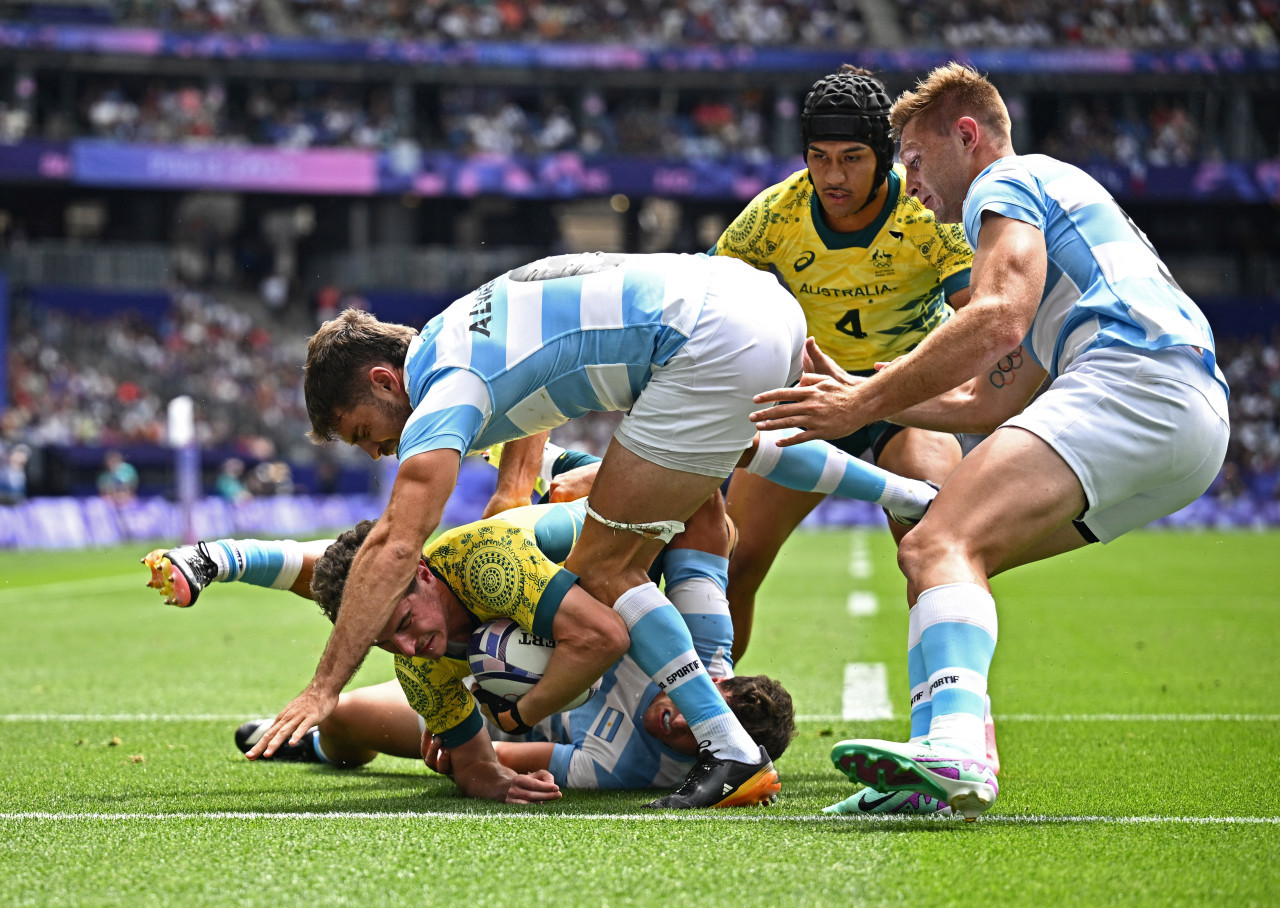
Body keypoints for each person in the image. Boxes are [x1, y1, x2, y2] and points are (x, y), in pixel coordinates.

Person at [247, 251, 938, 809]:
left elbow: (397, 542)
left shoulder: (439, 392)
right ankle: (908, 496)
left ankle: (729, 748)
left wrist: (325, 685)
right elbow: (535, 396)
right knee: (706, 480)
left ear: (383, 380)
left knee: (606, 564)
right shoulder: (462, 332)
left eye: (366, 433)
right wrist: (517, 489)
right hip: (757, 305)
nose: (380, 453)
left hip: (704, 342)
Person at [751, 62, 1230, 821]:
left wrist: (864, 402)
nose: (909, 183)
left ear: (966, 135)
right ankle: (944, 770)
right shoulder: (1061, 219)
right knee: (951, 555)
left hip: (1132, 381)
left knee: (936, 540)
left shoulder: (1003, 184)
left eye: (912, 159)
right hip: (1192, 424)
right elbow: (986, 400)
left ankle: (956, 750)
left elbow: (999, 314)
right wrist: (862, 400)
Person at [142, 496, 797, 799]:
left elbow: (493, 761)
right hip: (521, 577)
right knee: (363, 624)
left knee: (346, 713)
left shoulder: (638, 768)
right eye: (703, 708)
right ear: (722, 684)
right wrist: (635, 518)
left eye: (687, 737)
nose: (678, 719)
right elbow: (705, 516)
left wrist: (476, 754)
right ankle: (225, 557)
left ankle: (311, 736)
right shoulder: (697, 646)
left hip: (502, 684)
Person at [709, 65, 974, 664]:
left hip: (903, 402)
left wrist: (907, 384)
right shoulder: (775, 213)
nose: (833, 176)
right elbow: (705, 299)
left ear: (885, 156)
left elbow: (977, 318)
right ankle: (707, 723)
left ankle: (953, 726)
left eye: (852, 157)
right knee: (731, 563)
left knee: (932, 546)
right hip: (807, 402)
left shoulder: (927, 208)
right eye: (819, 157)